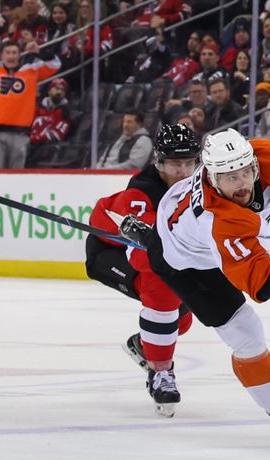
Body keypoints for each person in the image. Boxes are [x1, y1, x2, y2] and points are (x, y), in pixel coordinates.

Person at [114, 128, 270, 447]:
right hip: (184, 261)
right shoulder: (218, 218)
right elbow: (259, 277)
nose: (241, 184)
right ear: (211, 177)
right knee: (246, 332)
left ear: (254, 163)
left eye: (245, 172)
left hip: (184, 223)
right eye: (229, 177)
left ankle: (147, 235)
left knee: (238, 320)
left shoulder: (265, 156)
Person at [86, 124, 201, 417]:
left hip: (160, 257)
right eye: (175, 163)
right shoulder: (142, 191)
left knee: (183, 318)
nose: (183, 170)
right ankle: (161, 374)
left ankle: (144, 343)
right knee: (159, 280)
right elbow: (150, 242)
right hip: (111, 254)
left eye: (189, 162)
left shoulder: (200, 185)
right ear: (159, 162)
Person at [0, 16, 60, 169]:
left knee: (16, 178)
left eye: (14, 53)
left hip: (20, 133)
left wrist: (39, 51)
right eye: (7, 53)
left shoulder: (31, 71)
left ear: (19, 55)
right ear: (1, 56)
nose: (11, 56)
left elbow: (55, 64)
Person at [29, 77, 71, 148]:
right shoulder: (37, 108)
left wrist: (36, 138)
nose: (59, 92)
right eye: (57, 88)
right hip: (29, 143)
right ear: (49, 91)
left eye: (62, 90)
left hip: (48, 148)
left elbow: (57, 134)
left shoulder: (65, 112)